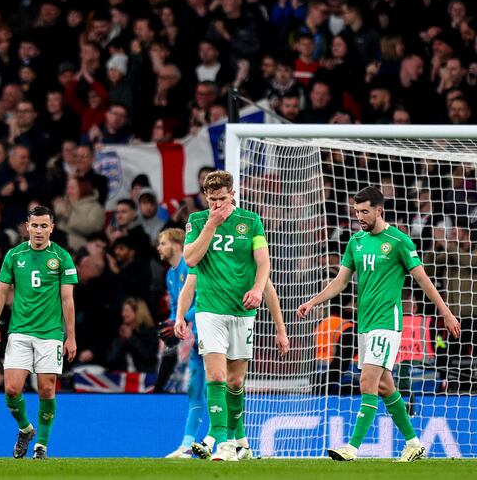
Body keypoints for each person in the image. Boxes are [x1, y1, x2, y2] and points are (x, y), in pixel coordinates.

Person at [298, 186, 460, 462]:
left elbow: (423, 279)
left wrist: (446, 312)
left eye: (364, 211)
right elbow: (341, 281)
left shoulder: (398, 241)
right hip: (365, 323)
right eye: (356, 212)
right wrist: (313, 302)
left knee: (367, 382)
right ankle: (414, 444)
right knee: (385, 387)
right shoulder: (356, 241)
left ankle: (352, 448)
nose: (359, 217)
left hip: (387, 322)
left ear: (379, 210)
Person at [174, 170, 287, 461]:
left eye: (222, 199)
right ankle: (223, 443)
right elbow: (190, 260)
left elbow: (264, 262)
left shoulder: (251, 221)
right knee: (216, 376)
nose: (217, 205)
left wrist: (258, 289)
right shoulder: (197, 221)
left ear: (232, 194)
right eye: (212, 200)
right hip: (210, 311)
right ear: (206, 197)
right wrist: (211, 225)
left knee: (236, 382)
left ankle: (238, 441)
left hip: (242, 312)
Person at [0, 205, 78, 460]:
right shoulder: (14, 255)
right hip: (19, 331)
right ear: (27, 227)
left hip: (50, 334)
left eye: (44, 226)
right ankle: (26, 429)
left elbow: (67, 300)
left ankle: (41, 446)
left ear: (52, 228)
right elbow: (1, 292)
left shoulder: (62, 257)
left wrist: (70, 336)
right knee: (11, 390)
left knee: (47, 391)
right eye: (35, 225)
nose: (39, 230)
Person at [157, 228, 206, 459]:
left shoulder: (191, 267)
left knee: (219, 388)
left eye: (163, 243)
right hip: (193, 339)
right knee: (194, 389)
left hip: (210, 333)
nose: (159, 247)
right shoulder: (170, 274)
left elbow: (203, 300)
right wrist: (171, 324)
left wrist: (183, 320)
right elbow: (176, 308)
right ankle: (187, 446)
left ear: (177, 246)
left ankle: (230, 441)